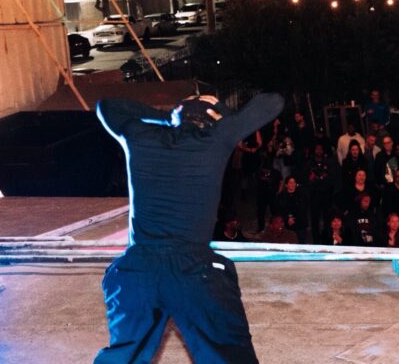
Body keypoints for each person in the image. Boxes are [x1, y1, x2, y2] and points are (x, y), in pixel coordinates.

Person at [95, 93, 283, 362]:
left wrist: (168, 116)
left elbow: (107, 104)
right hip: (193, 270)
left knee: (125, 355)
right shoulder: (216, 138)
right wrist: (220, 110)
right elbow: (273, 102)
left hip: (138, 270)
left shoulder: (140, 137)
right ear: (211, 120)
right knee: (228, 352)